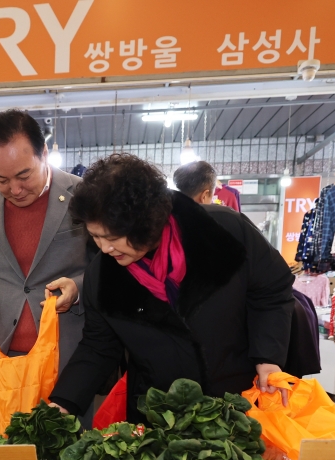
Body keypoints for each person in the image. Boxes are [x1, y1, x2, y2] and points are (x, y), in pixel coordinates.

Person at [49, 154, 295, 423]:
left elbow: (272, 289)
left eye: (113, 237)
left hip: (236, 403)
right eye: (95, 236)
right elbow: (98, 346)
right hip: (157, 414)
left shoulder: (223, 231)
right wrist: (63, 402)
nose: (105, 248)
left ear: (147, 222)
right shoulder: (103, 275)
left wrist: (268, 358)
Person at [0, 109, 90, 370]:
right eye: (1, 179)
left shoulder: (83, 196)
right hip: (3, 356)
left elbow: (106, 266)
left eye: (24, 176)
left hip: (69, 352)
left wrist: (77, 288)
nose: (14, 190)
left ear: (45, 155)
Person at [176, 160, 321, 379]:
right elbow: (273, 285)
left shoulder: (160, 227)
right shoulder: (231, 223)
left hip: (183, 353)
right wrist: (268, 359)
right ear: (206, 194)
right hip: (232, 352)